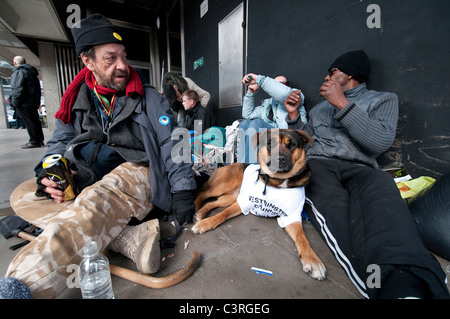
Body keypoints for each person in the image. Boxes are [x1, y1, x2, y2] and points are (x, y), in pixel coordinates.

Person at [0, 13, 197, 299]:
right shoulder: (76, 97)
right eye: (110, 58)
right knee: (28, 194)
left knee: (95, 203)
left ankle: (22, 286)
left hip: (136, 171)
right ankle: (125, 237)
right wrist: (50, 169)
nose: (122, 66)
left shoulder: (149, 97)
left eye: (123, 56)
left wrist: (182, 190)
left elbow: (174, 142)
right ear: (87, 61)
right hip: (88, 173)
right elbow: (60, 140)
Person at [280, 50, 449, 299]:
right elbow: (302, 143)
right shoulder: (318, 110)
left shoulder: (382, 100)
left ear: (349, 74)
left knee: (384, 196)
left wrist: (343, 104)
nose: (326, 77)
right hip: (320, 164)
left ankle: (420, 277)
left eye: (332, 72)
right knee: (336, 209)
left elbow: (379, 143)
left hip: (362, 167)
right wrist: (294, 117)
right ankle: (395, 287)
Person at [238, 74, 306, 163]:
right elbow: (248, 114)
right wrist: (250, 94)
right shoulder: (268, 103)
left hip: (289, 135)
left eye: (284, 83)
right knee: (245, 123)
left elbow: (284, 93)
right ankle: (241, 166)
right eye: (277, 83)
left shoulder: (295, 94)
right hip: (273, 137)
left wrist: (260, 80)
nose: (281, 85)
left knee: (257, 123)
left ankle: (252, 168)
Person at [10, 56, 45, 148]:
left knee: (29, 122)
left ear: (15, 63)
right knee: (35, 121)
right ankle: (39, 140)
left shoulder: (19, 72)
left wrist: (15, 103)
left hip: (24, 102)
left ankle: (34, 141)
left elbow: (17, 89)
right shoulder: (31, 73)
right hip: (32, 102)